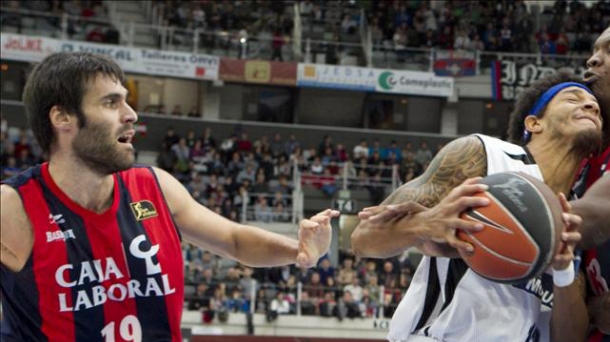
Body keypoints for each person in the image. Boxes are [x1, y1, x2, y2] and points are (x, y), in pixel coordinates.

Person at [0, 52, 340, 341]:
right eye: (110, 102)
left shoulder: (154, 186)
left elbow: (235, 240)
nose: (131, 114)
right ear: (62, 117)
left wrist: (298, 251)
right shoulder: (13, 207)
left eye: (126, 101)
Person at [352, 71, 601, 342]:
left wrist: (563, 270)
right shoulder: (486, 154)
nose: (590, 106)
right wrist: (425, 223)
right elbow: (362, 239)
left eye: (596, 108)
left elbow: (570, 338)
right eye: (572, 99)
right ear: (534, 122)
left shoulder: (579, 216)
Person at [552, 27, 610, 342]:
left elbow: (588, 218)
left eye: (609, 51)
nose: (592, 60)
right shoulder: (584, 158)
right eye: (594, 50)